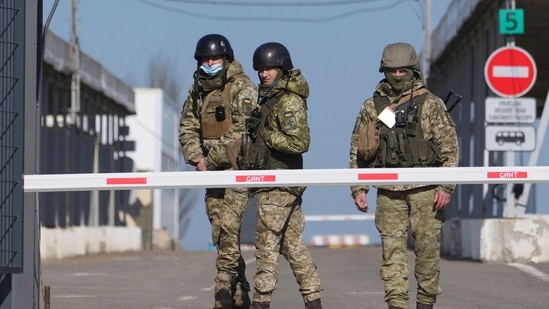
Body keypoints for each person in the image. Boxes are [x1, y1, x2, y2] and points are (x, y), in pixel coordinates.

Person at [349, 42, 459, 309]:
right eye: (392, 71)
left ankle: (425, 303)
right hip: (388, 191)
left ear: (413, 70)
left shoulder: (430, 104)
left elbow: (449, 147)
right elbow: (358, 149)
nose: (398, 76)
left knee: (427, 252)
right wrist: (358, 188)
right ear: (384, 71)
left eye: (403, 71)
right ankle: (397, 304)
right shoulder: (373, 106)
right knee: (392, 255)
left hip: (426, 190)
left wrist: (446, 185)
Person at [240, 42, 322, 309]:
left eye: (270, 69)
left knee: (265, 246)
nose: (264, 74)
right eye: (261, 69)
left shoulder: (288, 100)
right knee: (291, 245)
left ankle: (261, 302)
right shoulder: (269, 97)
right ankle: (313, 299)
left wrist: (266, 137)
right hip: (274, 182)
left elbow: (300, 142)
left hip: (279, 183)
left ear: (282, 68)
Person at [179, 33, 258, 309]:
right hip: (210, 171)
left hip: (236, 169)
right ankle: (242, 289)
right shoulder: (197, 90)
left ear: (226, 58)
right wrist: (196, 156)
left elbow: (244, 128)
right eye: (206, 58)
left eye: (215, 58)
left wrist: (211, 159)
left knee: (230, 226)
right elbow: (187, 126)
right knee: (218, 232)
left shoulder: (242, 86)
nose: (210, 62)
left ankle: (223, 285)